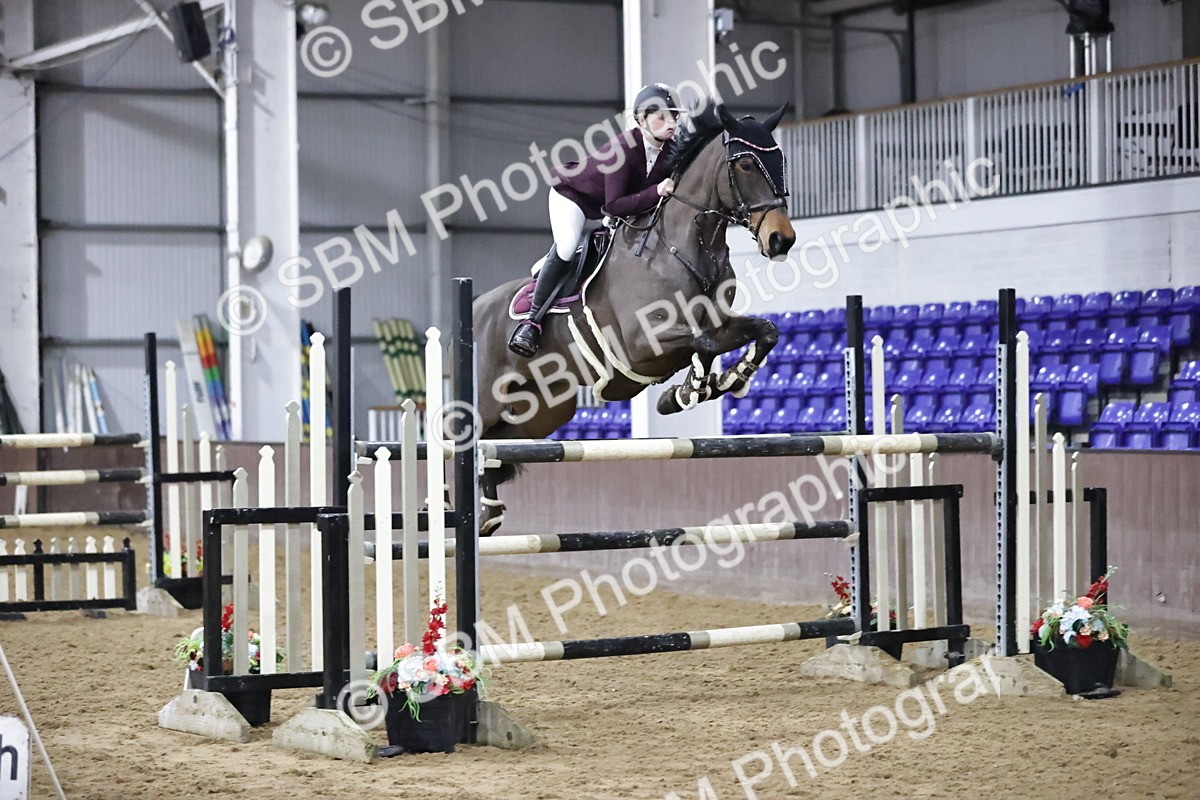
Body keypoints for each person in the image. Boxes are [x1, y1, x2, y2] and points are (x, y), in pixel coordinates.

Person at [508, 83, 683, 358]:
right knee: (567, 246)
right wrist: (657, 191)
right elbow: (613, 206)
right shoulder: (622, 148)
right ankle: (531, 323)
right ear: (641, 120)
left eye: (674, 116)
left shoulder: (672, 151)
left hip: (612, 208)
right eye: (661, 116)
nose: (670, 123)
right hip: (573, 196)